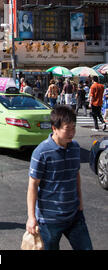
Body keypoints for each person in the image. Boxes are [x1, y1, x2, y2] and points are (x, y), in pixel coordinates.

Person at [26, 105, 93, 250]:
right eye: (67, 128)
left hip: (74, 215)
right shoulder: (41, 152)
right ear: (54, 128)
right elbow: (33, 185)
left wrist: (80, 202)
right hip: (49, 220)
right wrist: (31, 218)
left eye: (74, 128)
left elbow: (76, 175)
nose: (72, 133)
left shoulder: (75, 147)